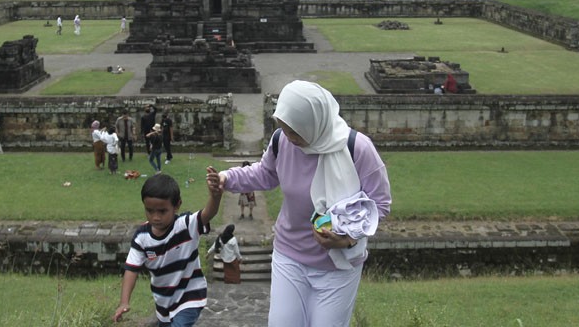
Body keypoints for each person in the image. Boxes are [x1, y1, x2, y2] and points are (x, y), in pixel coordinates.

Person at [208, 80, 391, 327]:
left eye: (295, 131)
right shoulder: (281, 141)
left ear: (314, 122)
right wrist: (226, 178)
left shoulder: (357, 148)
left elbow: (379, 205)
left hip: (337, 266)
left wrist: (347, 239)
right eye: (284, 128)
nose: (289, 137)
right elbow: (265, 174)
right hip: (289, 256)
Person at [114, 171, 223, 325]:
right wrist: (124, 302)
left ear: (177, 205)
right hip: (163, 303)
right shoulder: (141, 238)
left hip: (189, 297)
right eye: (149, 211)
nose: (155, 217)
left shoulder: (186, 226)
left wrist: (215, 196)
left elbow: (208, 214)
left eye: (162, 211)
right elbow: (132, 269)